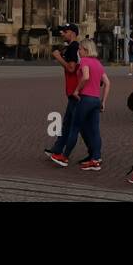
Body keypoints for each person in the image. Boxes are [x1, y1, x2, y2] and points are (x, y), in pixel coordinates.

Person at [53, 39, 109, 171]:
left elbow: (86, 77)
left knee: (74, 128)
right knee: (95, 131)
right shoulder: (98, 63)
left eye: (80, 50)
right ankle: (95, 159)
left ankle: (65, 157)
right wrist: (103, 101)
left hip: (85, 99)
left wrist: (77, 90)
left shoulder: (85, 61)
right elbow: (107, 83)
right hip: (96, 100)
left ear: (86, 50)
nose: (78, 52)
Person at [47, 23, 83, 162]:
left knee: (75, 125)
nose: (62, 33)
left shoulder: (73, 47)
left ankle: (65, 155)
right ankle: (57, 148)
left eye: (65, 31)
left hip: (75, 91)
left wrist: (58, 57)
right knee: (68, 123)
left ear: (72, 33)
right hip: (73, 91)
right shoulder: (72, 47)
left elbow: (71, 68)